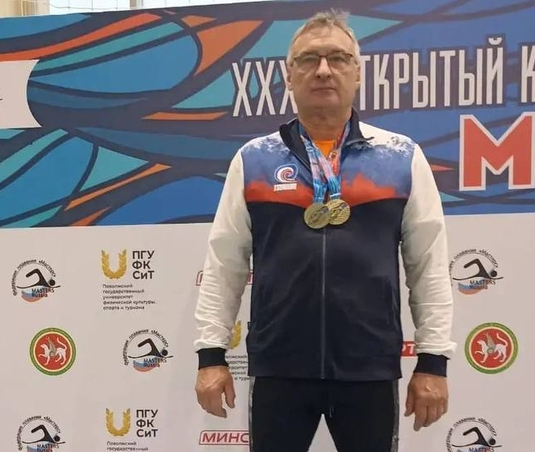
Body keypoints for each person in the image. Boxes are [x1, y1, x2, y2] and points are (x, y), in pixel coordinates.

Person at [193, 8, 455, 452]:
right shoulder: (254, 159)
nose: (323, 70)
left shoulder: (400, 157)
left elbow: (429, 265)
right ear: (288, 76)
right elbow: (224, 264)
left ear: (358, 73)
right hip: (279, 367)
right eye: (308, 59)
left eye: (338, 58)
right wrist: (211, 355)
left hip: (368, 367)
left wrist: (433, 361)